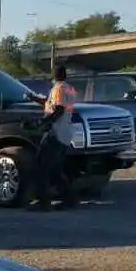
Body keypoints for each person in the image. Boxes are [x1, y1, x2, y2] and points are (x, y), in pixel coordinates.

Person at [27, 65, 78, 211]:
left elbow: (59, 110)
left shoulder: (58, 89)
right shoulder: (69, 89)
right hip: (66, 134)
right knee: (55, 168)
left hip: (55, 133)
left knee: (41, 167)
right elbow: (52, 104)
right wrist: (34, 98)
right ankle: (69, 199)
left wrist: (42, 122)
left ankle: (43, 202)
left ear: (53, 76)